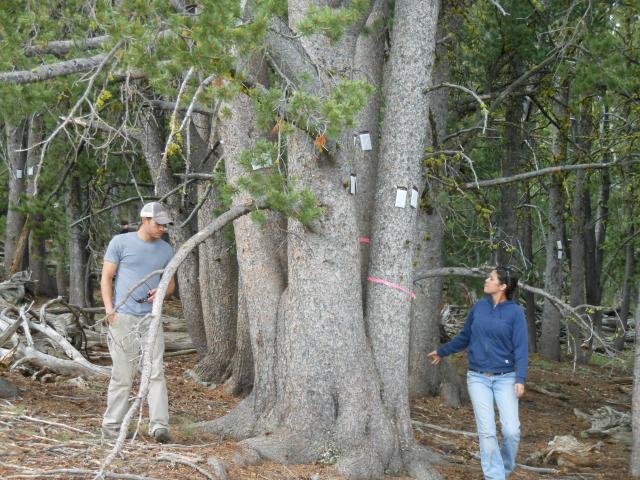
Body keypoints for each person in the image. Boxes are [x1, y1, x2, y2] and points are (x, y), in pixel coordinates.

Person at [428, 267, 528, 480]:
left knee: (512, 431)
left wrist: (520, 379)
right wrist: (443, 351)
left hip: (506, 378)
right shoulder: (479, 308)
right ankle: (495, 476)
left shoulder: (516, 313)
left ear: (502, 286)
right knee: (487, 432)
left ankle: (504, 469)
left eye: (491, 278)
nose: (486, 280)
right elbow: (465, 337)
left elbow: (521, 348)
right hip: (478, 378)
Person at [101, 202, 176, 443]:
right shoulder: (120, 243)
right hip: (123, 317)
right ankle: (111, 428)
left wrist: (162, 292)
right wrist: (110, 311)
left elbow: (170, 282)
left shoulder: (166, 250)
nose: (162, 228)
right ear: (144, 220)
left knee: (155, 372)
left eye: (165, 225)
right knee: (122, 374)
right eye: (158, 224)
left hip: (151, 320)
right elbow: (106, 278)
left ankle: (159, 426)